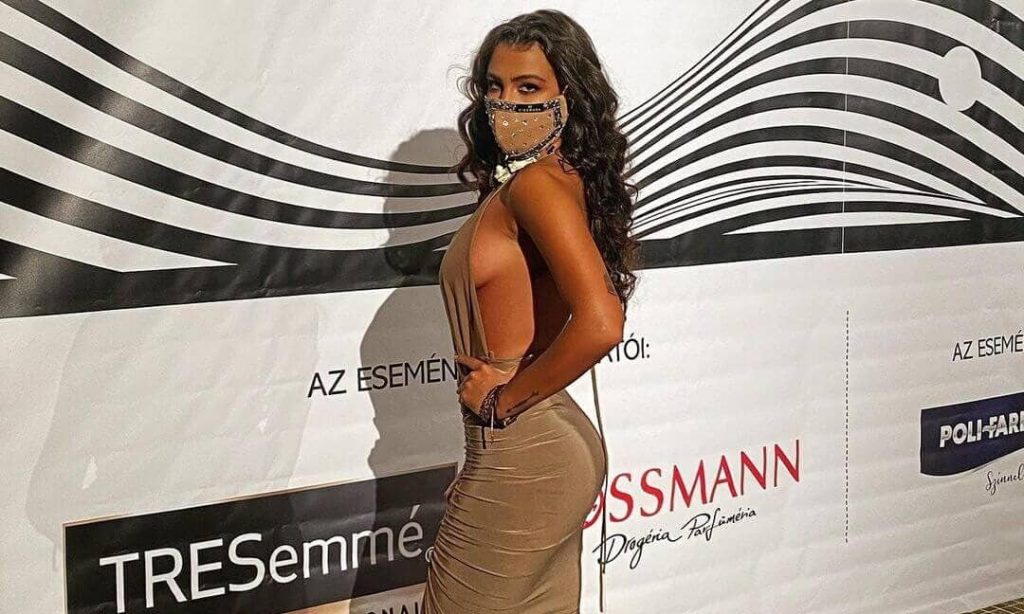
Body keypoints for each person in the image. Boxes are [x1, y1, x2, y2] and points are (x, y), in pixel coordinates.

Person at [423, 9, 639, 613]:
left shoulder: (537, 186)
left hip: (526, 445)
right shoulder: (552, 181)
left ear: (569, 96)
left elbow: (602, 322)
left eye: (528, 88)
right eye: (495, 87)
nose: (506, 105)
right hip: (534, 447)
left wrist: (502, 403)